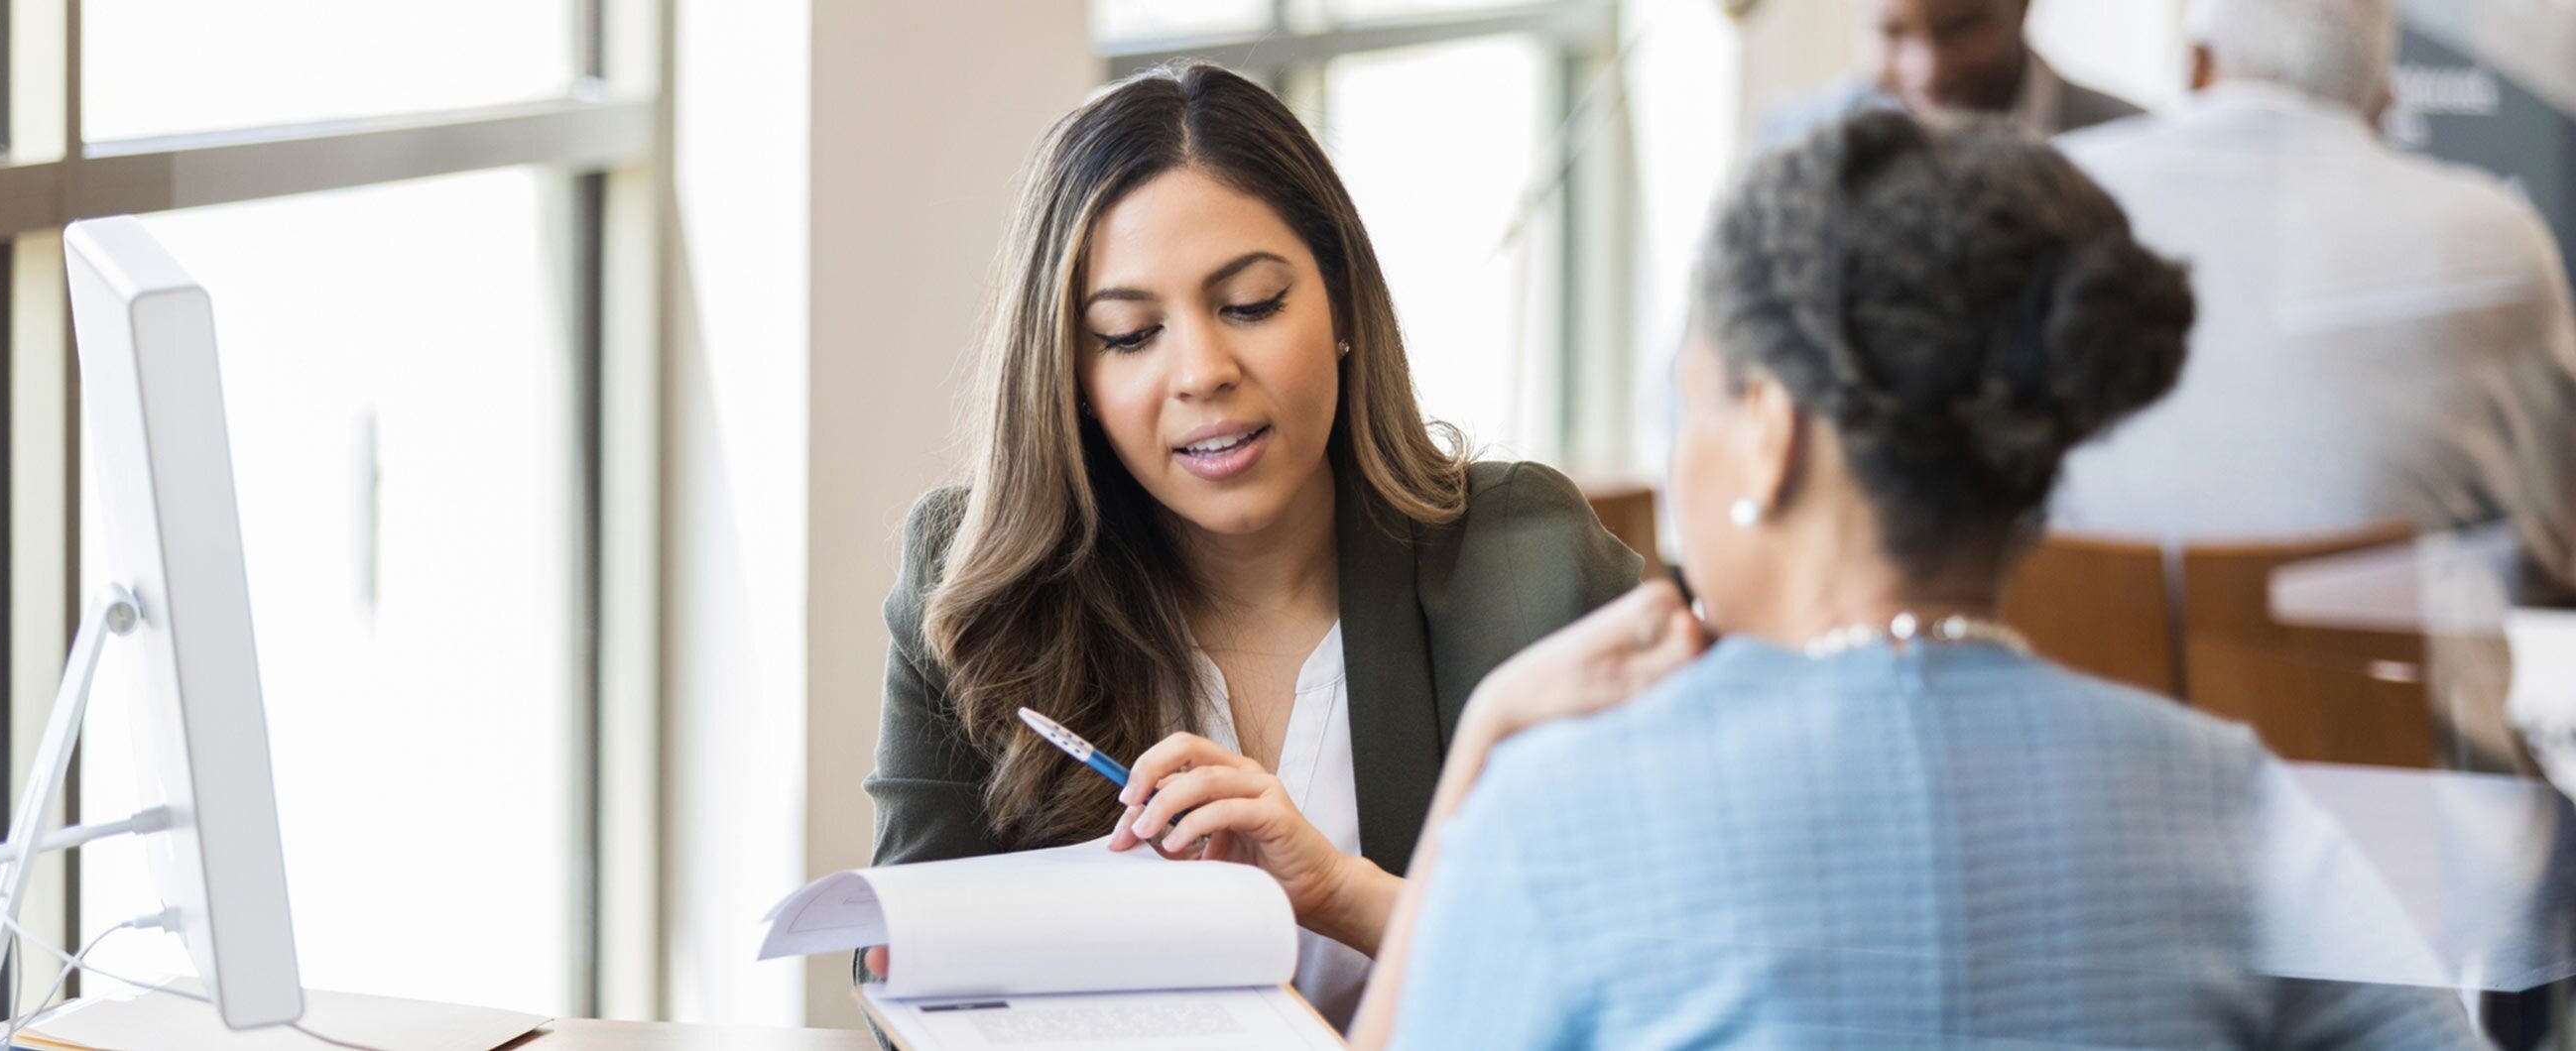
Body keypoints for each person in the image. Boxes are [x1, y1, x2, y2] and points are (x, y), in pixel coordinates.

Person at [1352, 111, 2484, 1048]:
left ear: (1767, 433)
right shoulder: (2227, 798)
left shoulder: (1559, 811)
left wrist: (1482, 756)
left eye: (1690, 404)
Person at [861, 61, 1642, 1029]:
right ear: (1068, 372)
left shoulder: (1524, 560)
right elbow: (907, 981)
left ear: (1345, 303)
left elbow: (1651, 964)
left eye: (1250, 305)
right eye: (1129, 333)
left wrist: (1339, 893)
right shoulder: (971, 578)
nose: (1201, 372)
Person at [2050, 0, 2576, 586]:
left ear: (2196, 66)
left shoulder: (2055, 194)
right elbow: (2558, 529)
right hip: (2377, 670)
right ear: (2383, 101)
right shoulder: (2498, 237)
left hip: (2079, 654)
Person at [1757, 0, 2141, 148]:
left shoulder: (2132, 140)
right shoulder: (1793, 141)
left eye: (1961, 28)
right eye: (1892, 33)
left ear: (2022, 7)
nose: (1928, 70)